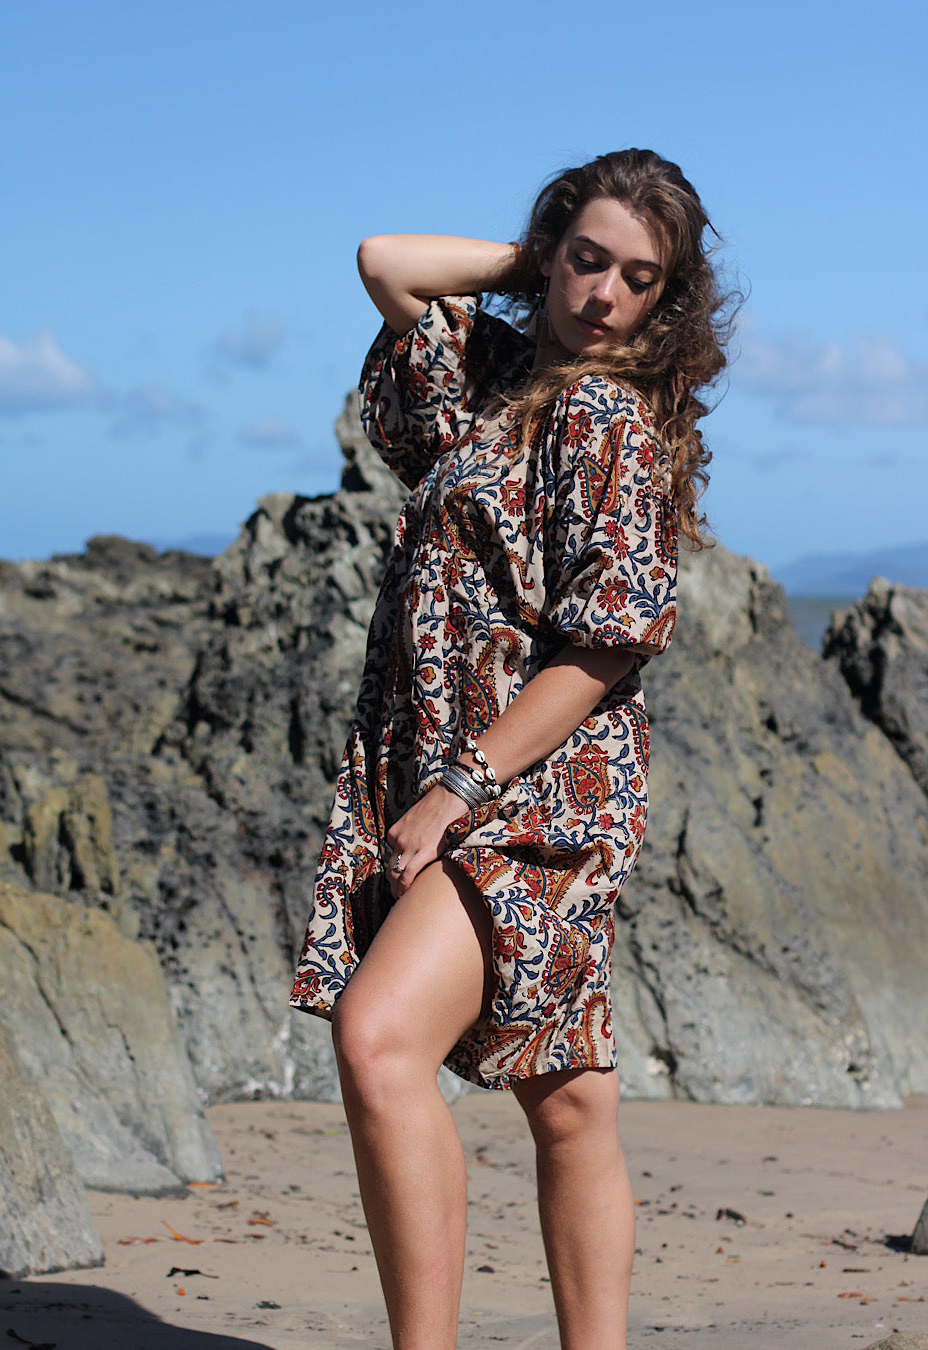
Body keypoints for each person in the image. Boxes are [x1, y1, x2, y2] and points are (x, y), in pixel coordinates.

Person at [290, 148, 732, 1350]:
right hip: (447, 759)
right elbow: (387, 263)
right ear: (551, 254)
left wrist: (459, 785)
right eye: (587, 260)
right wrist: (527, 266)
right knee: (567, 1096)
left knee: (379, 1041)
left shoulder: (610, 421)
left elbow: (608, 645)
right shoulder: (494, 382)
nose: (604, 294)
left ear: (668, 301)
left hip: (536, 792)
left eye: (639, 279)